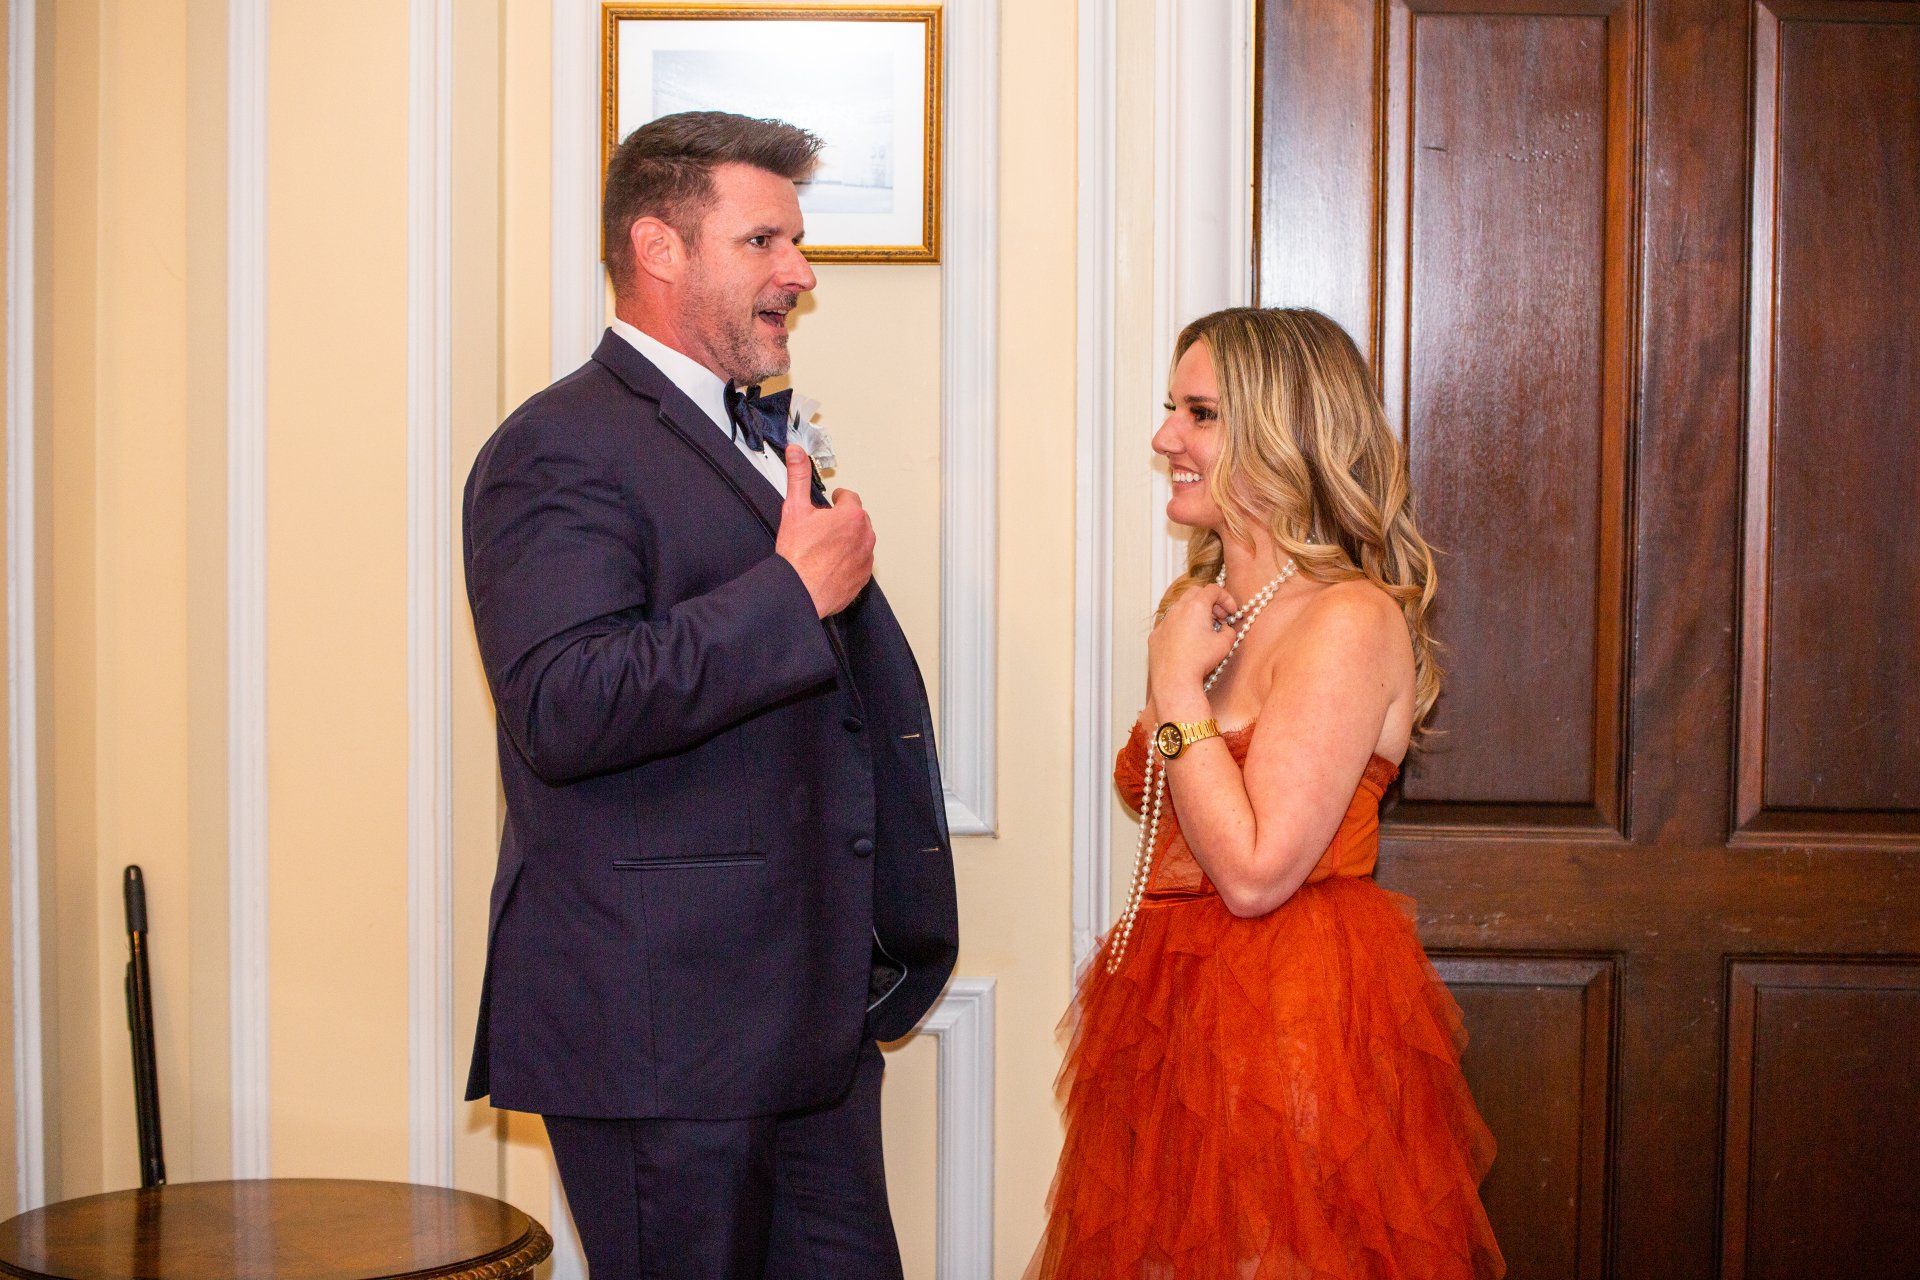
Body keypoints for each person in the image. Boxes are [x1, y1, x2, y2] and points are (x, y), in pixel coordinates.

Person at [461, 111, 958, 1279]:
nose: (800, 272)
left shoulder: (753, 434)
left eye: (797, 241)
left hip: (806, 1022)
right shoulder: (555, 447)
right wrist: (791, 593)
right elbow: (564, 702)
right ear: (660, 248)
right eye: (764, 241)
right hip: (663, 1037)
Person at [1027, 308, 1504, 1279]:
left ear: (1286, 434)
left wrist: (1173, 686)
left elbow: (1253, 872)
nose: (1166, 436)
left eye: (1200, 413)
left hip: (1293, 1015)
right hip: (1173, 1010)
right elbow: (1164, 799)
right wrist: (1180, 668)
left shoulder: (1348, 618)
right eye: (1172, 408)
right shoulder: (1208, 609)